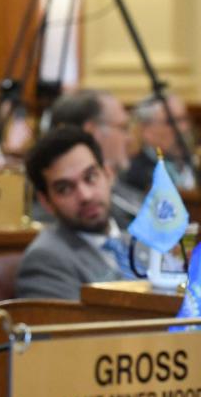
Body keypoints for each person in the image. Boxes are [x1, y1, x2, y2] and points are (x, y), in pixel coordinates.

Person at [16, 126, 134, 300]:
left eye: (90, 177)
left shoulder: (141, 236)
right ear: (46, 202)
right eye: (64, 189)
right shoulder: (45, 261)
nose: (85, 195)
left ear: (108, 175)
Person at [48, 89, 142, 226]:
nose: (130, 139)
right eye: (123, 128)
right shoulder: (74, 216)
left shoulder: (130, 193)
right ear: (91, 132)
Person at [126, 94, 196, 191]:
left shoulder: (192, 164)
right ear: (146, 130)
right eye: (171, 122)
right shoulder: (135, 174)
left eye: (184, 119)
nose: (183, 129)